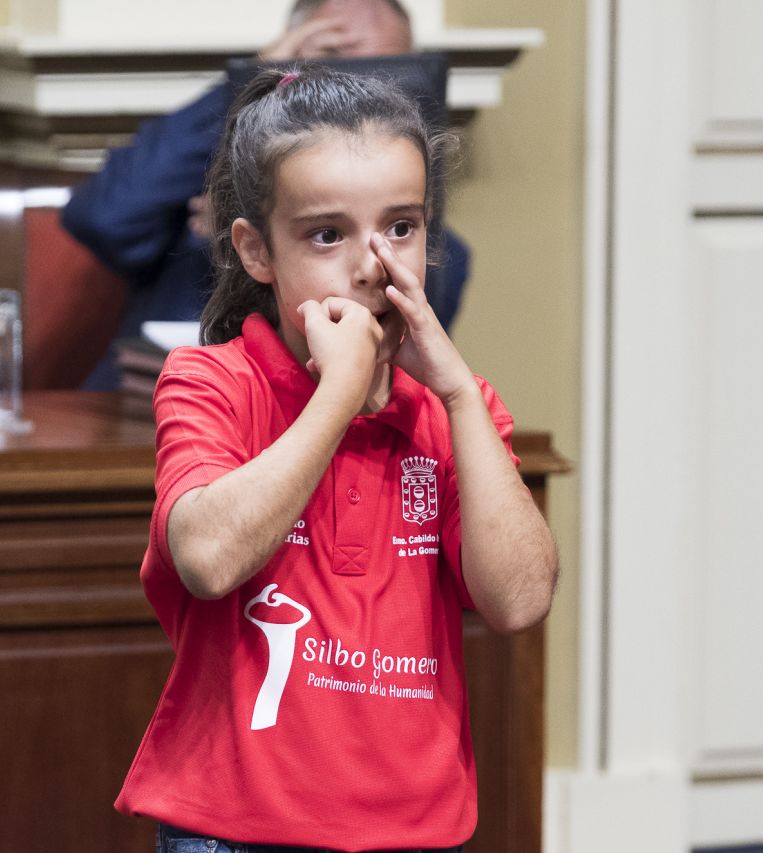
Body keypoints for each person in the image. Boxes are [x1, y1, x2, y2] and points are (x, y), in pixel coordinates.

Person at [115, 66, 557, 852]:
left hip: (417, 829)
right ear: (256, 251)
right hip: (231, 830)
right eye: (327, 234)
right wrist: (340, 394)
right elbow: (209, 559)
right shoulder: (210, 380)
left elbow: (519, 600)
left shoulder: (460, 412)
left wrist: (456, 394)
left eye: (402, 227)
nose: (373, 266)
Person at [61, 0, 471, 390]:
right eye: (334, 64)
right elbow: (101, 217)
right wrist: (252, 84)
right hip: (151, 408)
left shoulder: (430, 255)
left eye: (385, 76)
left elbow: (410, 378)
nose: (354, 95)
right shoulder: (190, 191)